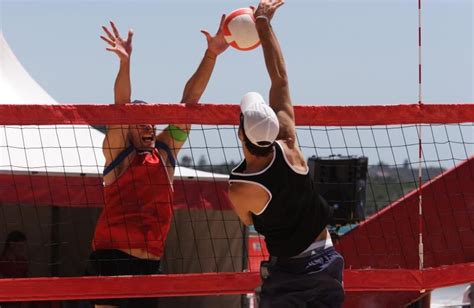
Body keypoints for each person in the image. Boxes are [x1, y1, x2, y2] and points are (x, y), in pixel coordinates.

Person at [86, 18, 228, 308]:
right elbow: (120, 108)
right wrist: (125, 64)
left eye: (152, 123)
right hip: (113, 260)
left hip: (151, 265)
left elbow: (189, 103)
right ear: (128, 129)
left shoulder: (164, 154)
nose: (150, 128)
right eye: (141, 125)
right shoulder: (117, 155)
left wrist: (211, 55)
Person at [228, 1, 345, 307]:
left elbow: (247, 219)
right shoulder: (289, 144)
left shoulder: (241, 187)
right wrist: (264, 22)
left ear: (241, 134)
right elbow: (280, 78)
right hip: (327, 259)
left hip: (291, 271)